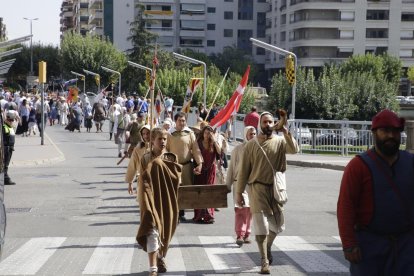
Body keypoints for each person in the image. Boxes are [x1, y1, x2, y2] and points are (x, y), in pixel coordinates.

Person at [337, 109, 414, 276]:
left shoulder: (410, 162)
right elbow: (346, 206)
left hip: (406, 246)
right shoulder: (358, 166)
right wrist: (349, 243)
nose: (391, 136)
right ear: (374, 133)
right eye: (385, 131)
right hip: (369, 245)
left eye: (395, 131)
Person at [236, 111, 299, 274]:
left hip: (275, 190)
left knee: (278, 226)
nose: (268, 125)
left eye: (271, 122)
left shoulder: (279, 141)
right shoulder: (251, 145)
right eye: (265, 122)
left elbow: (294, 150)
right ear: (260, 124)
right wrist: (239, 193)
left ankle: (268, 246)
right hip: (257, 189)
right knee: (261, 226)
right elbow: (243, 171)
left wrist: (285, 131)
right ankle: (264, 261)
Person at [135, 128, 182, 276]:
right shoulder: (146, 158)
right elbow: (143, 182)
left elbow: (177, 179)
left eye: (164, 139)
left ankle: (161, 256)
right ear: (152, 141)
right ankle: (153, 268)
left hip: (167, 201)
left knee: (165, 232)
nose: (162, 142)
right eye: (159, 139)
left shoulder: (171, 158)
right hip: (150, 200)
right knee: (152, 232)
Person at [166, 112, 203, 222]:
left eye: (184, 120)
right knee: (174, 190)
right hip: (173, 166)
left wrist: (200, 163)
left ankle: (181, 211)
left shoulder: (190, 134)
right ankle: (175, 212)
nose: (182, 123)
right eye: (179, 120)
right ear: (175, 121)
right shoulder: (169, 134)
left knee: (185, 190)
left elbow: (195, 149)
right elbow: (165, 149)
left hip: (187, 166)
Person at [227, 126, 256, 246]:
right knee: (240, 209)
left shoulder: (258, 148)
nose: (253, 136)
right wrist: (227, 185)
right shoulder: (238, 149)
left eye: (254, 134)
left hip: (253, 184)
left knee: (250, 209)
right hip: (239, 183)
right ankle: (240, 234)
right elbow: (232, 168)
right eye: (250, 134)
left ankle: (247, 234)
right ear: (245, 135)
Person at [193, 125, 221, 224]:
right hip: (200, 170)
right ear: (202, 133)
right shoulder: (198, 143)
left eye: (209, 133)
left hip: (210, 170)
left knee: (209, 191)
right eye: (205, 132)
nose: (207, 135)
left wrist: (214, 140)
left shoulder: (213, 143)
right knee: (200, 191)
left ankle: (209, 215)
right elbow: (195, 154)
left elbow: (220, 152)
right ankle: (198, 215)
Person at [126, 124, 151, 195]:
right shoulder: (138, 148)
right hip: (142, 181)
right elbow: (132, 165)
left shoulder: (158, 147)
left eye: (148, 133)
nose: (146, 136)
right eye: (144, 134)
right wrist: (130, 183)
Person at [3, 110, 17, 185]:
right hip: (6, 149)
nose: (12, 121)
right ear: (6, 119)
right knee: (5, 165)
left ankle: (5, 178)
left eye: (13, 120)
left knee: (6, 165)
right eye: (10, 120)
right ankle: (6, 178)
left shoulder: (10, 127)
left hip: (10, 149)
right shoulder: (4, 127)